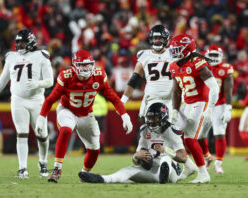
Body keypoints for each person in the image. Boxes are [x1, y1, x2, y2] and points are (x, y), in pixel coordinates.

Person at [35, 50, 133, 183]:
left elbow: (114, 98)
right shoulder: (66, 76)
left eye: (88, 65)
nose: (86, 68)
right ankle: (57, 169)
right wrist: (41, 118)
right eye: (82, 65)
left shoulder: (98, 76)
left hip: (86, 114)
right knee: (65, 130)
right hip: (67, 110)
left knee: (95, 149)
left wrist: (124, 115)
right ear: (75, 65)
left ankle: (84, 174)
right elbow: (50, 99)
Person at [0, 29, 54, 178]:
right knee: (21, 134)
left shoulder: (41, 56)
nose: (20, 45)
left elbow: (50, 81)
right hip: (18, 100)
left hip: (36, 100)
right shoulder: (11, 57)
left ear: (30, 42)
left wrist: (37, 83)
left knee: (42, 133)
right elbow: (2, 80)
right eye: (18, 42)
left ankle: (43, 162)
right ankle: (23, 169)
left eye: (22, 42)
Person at [78, 103, 197, 184]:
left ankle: (164, 174)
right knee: (128, 170)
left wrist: (166, 150)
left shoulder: (172, 130)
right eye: (150, 118)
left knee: (165, 159)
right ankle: (102, 179)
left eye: (155, 118)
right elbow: (137, 160)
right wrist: (136, 156)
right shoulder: (145, 130)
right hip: (152, 170)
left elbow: (183, 157)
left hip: (172, 171)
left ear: (163, 118)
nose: (151, 121)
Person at [169, 34, 219, 183]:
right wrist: (175, 110)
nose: (173, 52)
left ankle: (204, 174)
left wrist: (209, 108)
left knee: (190, 139)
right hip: (187, 103)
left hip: (201, 103)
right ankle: (189, 166)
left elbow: (214, 88)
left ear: (186, 49)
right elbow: (177, 91)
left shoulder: (197, 63)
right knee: (172, 134)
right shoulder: (173, 66)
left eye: (177, 49)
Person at [120, 24, 173, 119]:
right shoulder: (144, 55)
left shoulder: (174, 53)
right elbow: (134, 80)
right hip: (151, 99)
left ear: (166, 39)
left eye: (160, 38)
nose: (157, 40)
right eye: (155, 38)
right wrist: (123, 100)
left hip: (170, 99)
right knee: (148, 128)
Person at [197, 45, 233, 173]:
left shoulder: (226, 69)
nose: (212, 58)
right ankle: (207, 157)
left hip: (219, 105)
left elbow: (228, 91)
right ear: (206, 55)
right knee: (200, 135)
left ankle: (218, 163)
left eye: (215, 55)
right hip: (204, 104)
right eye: (210, 55)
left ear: (221, 56)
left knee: (219, 133)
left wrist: (228, 108)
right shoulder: (200, 66)